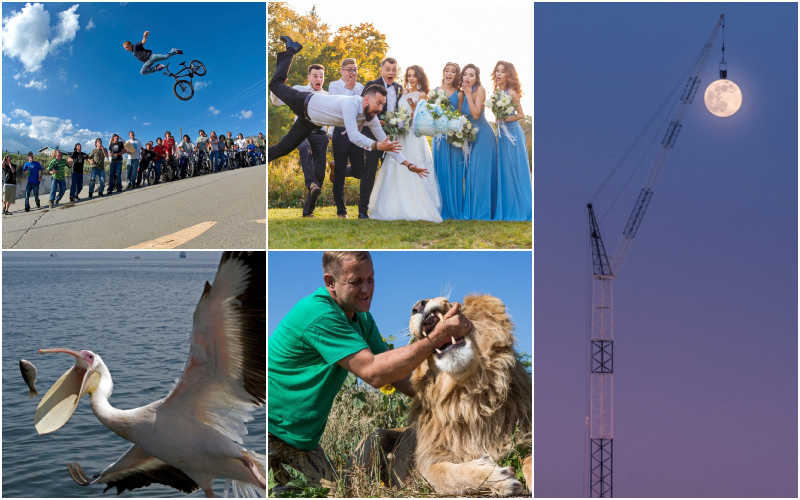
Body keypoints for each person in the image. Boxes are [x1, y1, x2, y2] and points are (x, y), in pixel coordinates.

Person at [268, 251, 472, 494]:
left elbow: (397, 376)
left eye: (370, 279)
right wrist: (435, 338)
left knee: (336, 494)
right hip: (265, 429)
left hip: (300, 441)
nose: (366, 289)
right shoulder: (320, 314)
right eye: (355, 282)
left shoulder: (361, 318)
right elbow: (374, 373)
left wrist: (453, 399)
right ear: (330, 282)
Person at [268, 37, 424, 220]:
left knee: (282, 148)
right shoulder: (351, 104)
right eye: (378, 103)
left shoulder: (370, 117)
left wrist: (409, 164)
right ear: (367, 99)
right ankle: (291, 51)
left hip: (310, 122)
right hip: (303, 102)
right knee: (275, 85)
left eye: (383, 104)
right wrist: (376, 146)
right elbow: (353, 135)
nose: (381, 108)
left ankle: (263, 158)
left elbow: (386, 144)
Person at [368, 65, 443, 222]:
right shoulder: (403, 92)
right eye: (409, 75)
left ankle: (417, 204)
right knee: (396, 166)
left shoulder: (422, 94)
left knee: (415, 162)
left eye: (414, 75)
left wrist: (415, 109)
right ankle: (394, 206)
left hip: (414, 135)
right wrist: (394, 122)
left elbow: (423, 117)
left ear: (420, 77)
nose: (411, 78)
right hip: (400, 133)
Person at [271, 63, 330, 216]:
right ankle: (310, 183)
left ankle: (308, 211)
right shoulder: (299, 89)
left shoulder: (328, 96)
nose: (318, 79)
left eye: (321, 76)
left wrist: (330, 134)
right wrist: (280, 87)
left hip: (321, 135)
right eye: (315, 76)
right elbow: (276, 102)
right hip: (302, 132)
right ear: (309, 77)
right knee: (304, 148)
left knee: (321, 175)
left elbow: (336, 116)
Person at [359, 57, 403, 219]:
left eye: (394, 69)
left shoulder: (400, 88)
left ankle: (388, 209)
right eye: (388, 69)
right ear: (381, 70)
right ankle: (363, 210)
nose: (391, 72)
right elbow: (362, 108)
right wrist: (376, 120)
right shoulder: (370, 85)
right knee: (369, 170)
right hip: (372, 136)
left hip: (392, 136)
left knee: (390, 172)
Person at [491, 61, 531, 221]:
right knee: (504, 169)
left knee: (515, 168)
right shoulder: (496, 91)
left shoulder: (511, 92)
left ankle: (521, 207)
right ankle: (506, 207)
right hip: (502, 134)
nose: (498, 74)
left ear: (509, 75)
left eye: (502, 71)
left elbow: (521, 114)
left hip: (513, 134)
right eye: (497, 71)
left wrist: (504, 118)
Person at [460, 64, 497, 221]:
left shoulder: (479, 90)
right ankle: (472, 211)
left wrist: (468, 94)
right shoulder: (462, 93)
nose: (468, 77)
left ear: (476, 78)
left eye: (472, 75)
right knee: (471, 174)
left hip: (483, 136)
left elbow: (475, 114)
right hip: (470, 137)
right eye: (466, 74)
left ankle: (481, 213)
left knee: (479, 173)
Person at [328, 57, 365, 212]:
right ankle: (341, 210)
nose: (352, 72)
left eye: (355, 69)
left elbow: (363, 109)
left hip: (356, 132)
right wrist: (349, 89)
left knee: (359, 171)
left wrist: (362, 124)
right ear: (342, 71)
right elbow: (340, 108)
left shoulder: (361, 87)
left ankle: (336, 167)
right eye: (349, 69)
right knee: (340, 175)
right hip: (341, 132)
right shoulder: (334, 86)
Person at [432, 62, 465, 220]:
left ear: (456, 75)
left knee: (453, 171)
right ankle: (439, 207)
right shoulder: (434, 92)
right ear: (443, 72)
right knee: (440, 170)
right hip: (438, 137)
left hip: (452, 137)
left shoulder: (458, 94)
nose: (449, 74)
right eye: (447, 70)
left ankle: (454, 207)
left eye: (453, 71)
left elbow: (459, 116)